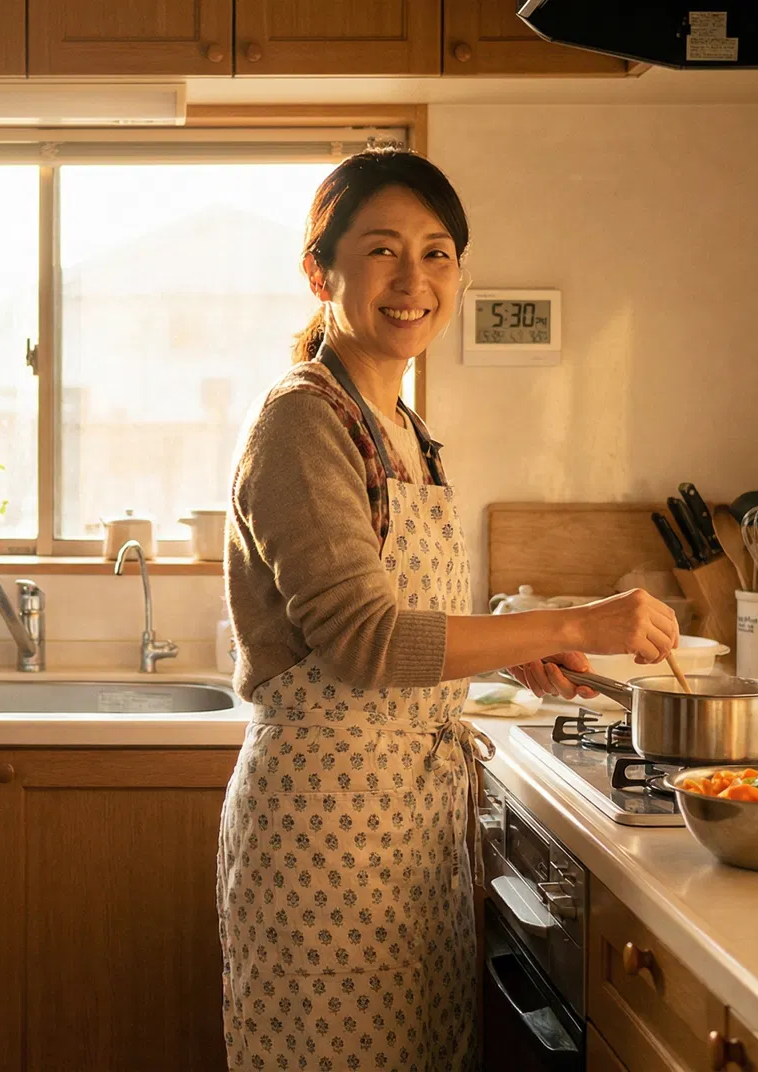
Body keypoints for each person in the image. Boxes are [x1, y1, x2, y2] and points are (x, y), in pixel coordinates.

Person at [217, 148, 678, 1069]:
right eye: (382, 250)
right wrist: (577, 623)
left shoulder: (404, 428)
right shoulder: (303, 421)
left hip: (408, 830)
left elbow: (407, 619)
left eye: (437, 254)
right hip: (325, 833)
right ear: (321, 271)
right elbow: (363, 639)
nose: (413, 280)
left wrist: (499, 655)